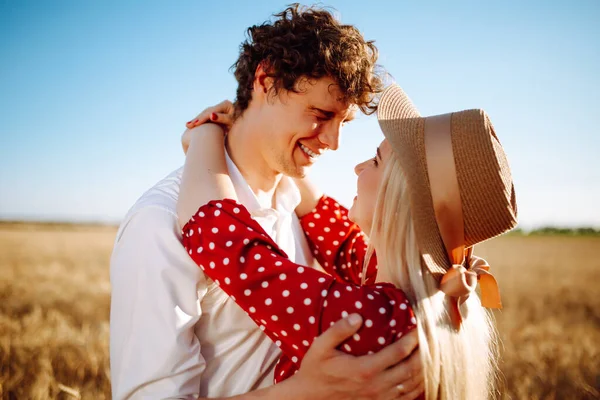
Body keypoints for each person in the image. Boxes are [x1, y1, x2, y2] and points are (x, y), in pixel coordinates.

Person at [109, 5, 423, 399]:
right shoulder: (160, 223)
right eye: (321, 115)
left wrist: (204, 136)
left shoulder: (299, 206)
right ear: (266, 78)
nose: (333, 143)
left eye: (342, 123)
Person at [177, 83, 518, 399]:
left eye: (375, 160)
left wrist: (204, 135)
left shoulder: (380, 320)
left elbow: (226, 243)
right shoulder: (429, 290)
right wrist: (264, 131)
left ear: (400, 198)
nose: (357, 167)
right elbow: (331, 230)